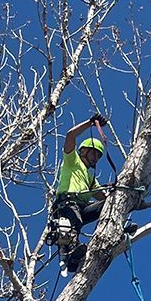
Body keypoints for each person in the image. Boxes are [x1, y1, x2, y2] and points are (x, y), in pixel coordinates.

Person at [48, 113, 144, 274]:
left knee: (109, 204)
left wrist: (120, 195)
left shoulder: (90, 178)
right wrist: (90, 123)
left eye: (99, 156)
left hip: (81, 208)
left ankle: (117, 230)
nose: (96, 158)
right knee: (72, 222)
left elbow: (103, 197)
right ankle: (71, 251)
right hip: (67, 204)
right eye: (93, 153)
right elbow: (70, 135)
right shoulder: (72, 161)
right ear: (84, 151)